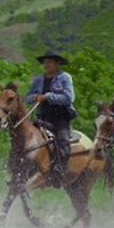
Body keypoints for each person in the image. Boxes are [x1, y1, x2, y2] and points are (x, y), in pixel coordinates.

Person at [24, 51, 76, 188]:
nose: (46, 64)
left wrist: (48, 96)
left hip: (60, 119)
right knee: (25, 140)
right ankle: (21, 171)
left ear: (57, 63)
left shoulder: (65, 78)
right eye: (45, 62)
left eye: (49, 62)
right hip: (42, 118)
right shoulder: (38, 80)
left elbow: (68, 98)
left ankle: (59, 172)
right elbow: (27, 98)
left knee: (63, 142)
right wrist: (34, 98)